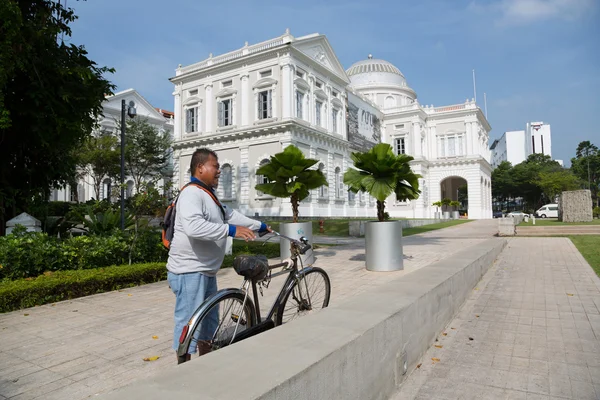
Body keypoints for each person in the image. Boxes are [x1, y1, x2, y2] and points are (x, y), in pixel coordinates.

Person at [166, 148, 270, 360]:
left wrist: (260, 226)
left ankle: (206, 362)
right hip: (189, 271)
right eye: (215, 166)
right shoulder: (191, 194)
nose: (219, 171)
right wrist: (231, 231)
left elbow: (231, 215)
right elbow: (194, 227)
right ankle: (183, 367)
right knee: (189, 323)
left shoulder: (207, 195)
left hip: (205, 271)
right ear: (200, 167)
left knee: (209, 323)